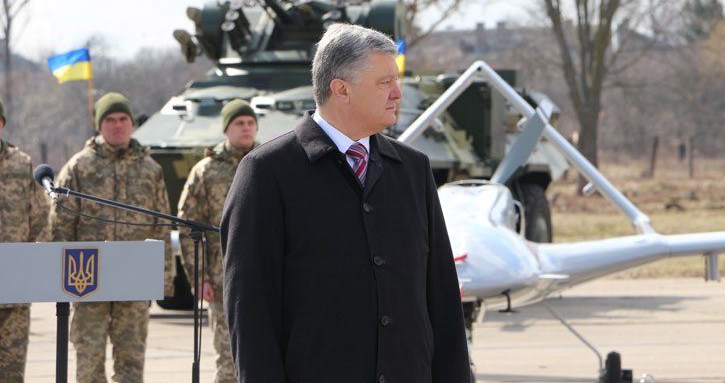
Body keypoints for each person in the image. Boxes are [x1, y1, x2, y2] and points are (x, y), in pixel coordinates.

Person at [220, 23, 470, 383]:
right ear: (341, 90)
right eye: (385, 82)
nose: (398, 93)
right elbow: (250, 315)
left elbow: (442, 298)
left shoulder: (413, 170)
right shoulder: (266, 174)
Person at [49, 92, 174, 383]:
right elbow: (61, 225)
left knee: (131, 361)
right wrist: (60, 278)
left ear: (132, 124)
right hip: (87, 281)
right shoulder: (79, 166)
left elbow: (162, 226)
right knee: (88, 361)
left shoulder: (150, 169)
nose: (117, 125)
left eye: (123, 119)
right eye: (109, 120)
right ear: (99, 125)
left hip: (134, 280)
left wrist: (162, 280)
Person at [177, 99, 259, 383]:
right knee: (229, 360)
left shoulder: (270, 163)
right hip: (224, 277)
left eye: (250, 122)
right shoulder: (206, 170)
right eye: (239, 123)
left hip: (270, 276)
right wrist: (198, 277)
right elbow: (189, 227)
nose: (246, 128)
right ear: (226, 129)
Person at [0, 99, 48, 383]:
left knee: (12, 370)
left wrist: (35, 265)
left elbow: (40, 217)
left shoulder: (22, 162)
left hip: (15, 283)